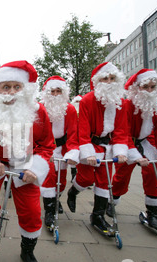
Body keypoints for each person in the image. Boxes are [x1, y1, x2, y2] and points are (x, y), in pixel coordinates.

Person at [0, 60, 55, 262]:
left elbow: (47, 145)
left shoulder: (38, 111)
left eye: (17, 87)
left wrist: (35, 168)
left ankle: (27, 251)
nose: (11, 92)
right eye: (5, 86)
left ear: (25, 88)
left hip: (25, 165)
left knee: (33, 210)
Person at [66, 62, 128, 233]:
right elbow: (83, 129)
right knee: (86, 179)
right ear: (98, 81)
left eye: (112, 78)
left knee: (104, 181)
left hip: (107, 147)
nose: (109, 81)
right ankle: (73, 192)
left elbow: (122, 129)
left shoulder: (120, 102)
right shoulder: (87, 101)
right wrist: (87, 153)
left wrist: (121, 151)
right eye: (105, 78)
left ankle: (97, 216)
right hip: (90, 145)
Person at [111, 69, 157, 232]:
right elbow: (122, 131)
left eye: (152, 87)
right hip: (128, 142)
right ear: (136, 88)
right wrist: (134, 155)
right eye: (145, 87)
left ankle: (152, 213)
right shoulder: (125, 105)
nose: (149, 91)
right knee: (121, 176)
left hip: (148, 142)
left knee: (154, 175)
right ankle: (112, 201)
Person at [40, 76, 79, 228]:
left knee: (61, 182)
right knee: (48, 180)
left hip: (62, 149)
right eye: (52, 92)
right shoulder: (40, 107)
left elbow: (73, 133)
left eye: (58, 91)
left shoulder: (69, 109)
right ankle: (49, 212)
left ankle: (57, 199)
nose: (55, 95)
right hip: (45, 149)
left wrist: (72, 152)